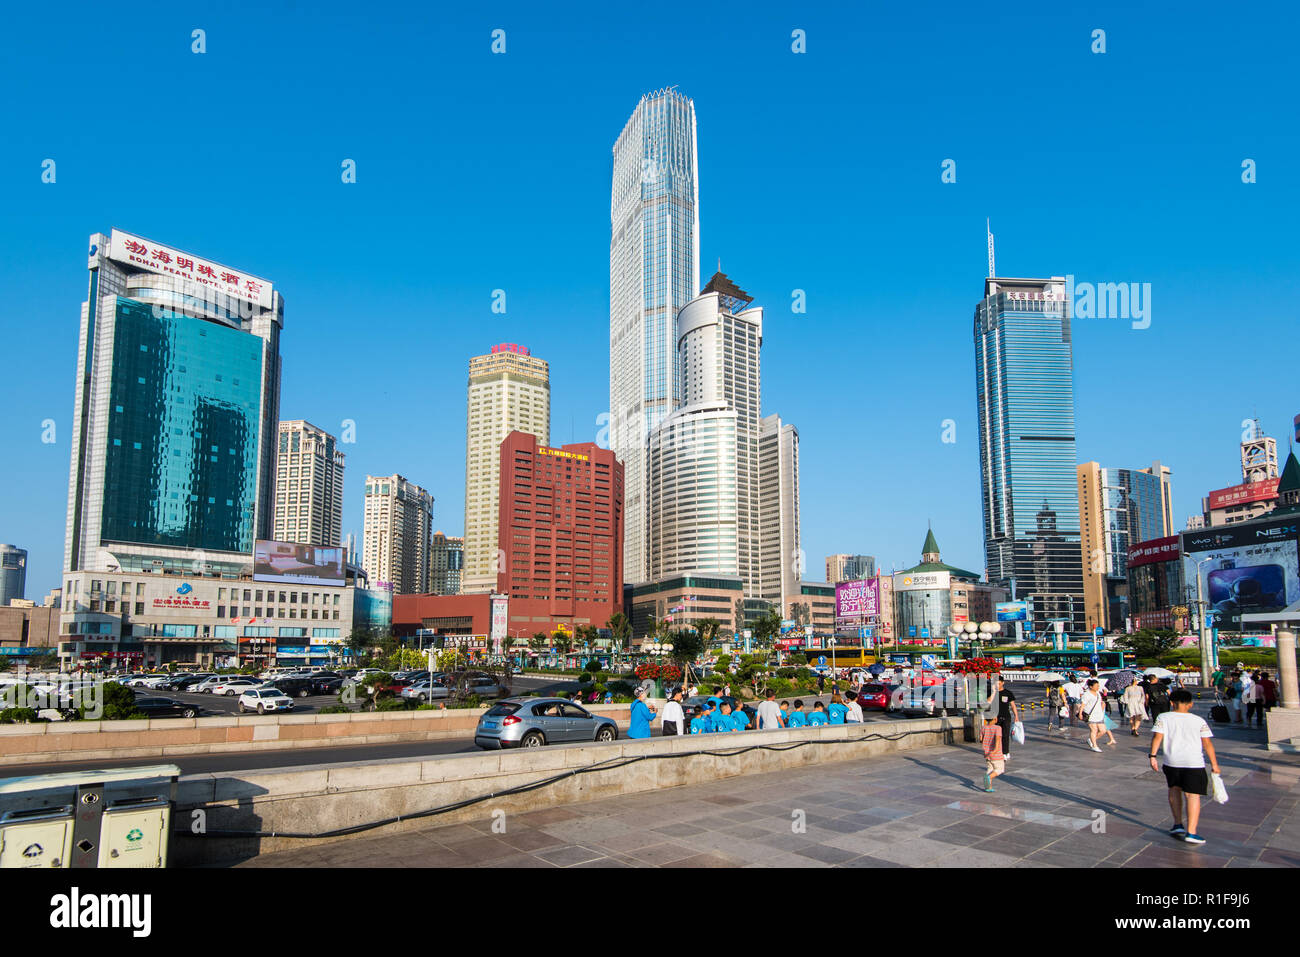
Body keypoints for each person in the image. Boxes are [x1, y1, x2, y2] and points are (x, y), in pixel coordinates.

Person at [1150, 688, 1221, 845]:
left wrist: (1153, 756)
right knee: (1192, 796)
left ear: (1172, 703)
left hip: (1171, 762)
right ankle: (1191, 832)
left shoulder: (1163, 717)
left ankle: (1177, 824)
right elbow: (1207, 744)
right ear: (1191, 704)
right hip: (1194, 763)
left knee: (1174, 790)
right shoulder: (1199, 721)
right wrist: (1214, 764)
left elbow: (1157, 737)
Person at [1080, 679, 1115, 751]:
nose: (1098, 687)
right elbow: (1083, 705)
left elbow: (1100, 702)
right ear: (1091, 686)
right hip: (1090, 715)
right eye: (1096, 686)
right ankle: (1094, 746)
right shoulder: (1087, 694)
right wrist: (1080, 713)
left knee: (1103, 730)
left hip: (1099, 715)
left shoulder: (1098, 693)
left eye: (1098, 686)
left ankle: (1091, 740)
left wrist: (1102, 705)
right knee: (1094, 730)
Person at [994, 675, 1018, 762]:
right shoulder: (992, 692)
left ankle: (1005, 752)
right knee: (996, 736)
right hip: (995, 717)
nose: (998, 685)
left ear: (1003, 683)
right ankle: (998, 751)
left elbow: (1013, 705)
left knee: (1005, 735)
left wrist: (1016, 716)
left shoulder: (1008, 693)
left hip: (1006, 717)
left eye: (999, 683)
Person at [980, 712, 1004, 792]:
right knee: (1000, 769)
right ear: (994, 719)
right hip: (996, 754)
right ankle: (989, 778)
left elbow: (981, 739)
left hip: (986, 753)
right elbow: (997, 740)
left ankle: (988, 787)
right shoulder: (998, 728)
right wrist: (995, 750)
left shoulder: (983, 727)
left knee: (990, 769)